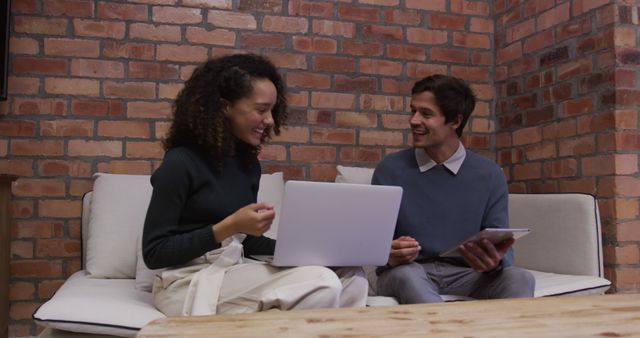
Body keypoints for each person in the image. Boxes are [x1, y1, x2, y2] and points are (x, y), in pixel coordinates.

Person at [142, 53, 367, 316]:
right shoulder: (180, 163)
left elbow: (247, 243)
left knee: (352, 275)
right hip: (186, 280)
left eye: (272, 110)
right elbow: (155, 252)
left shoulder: (247, 165)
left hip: (232, 269)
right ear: (225, 106)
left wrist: (314, 252)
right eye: (261, 109)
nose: (270, 120)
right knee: (321, 282)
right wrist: (229, 227)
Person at [372, 75, 535, 304]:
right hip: (409, 271)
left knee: (520, 278)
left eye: (426, 114)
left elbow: (502, 242)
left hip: (469, 274)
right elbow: (374, 243)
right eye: (413, 111)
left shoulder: (489, 174)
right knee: (408, 276)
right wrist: (389, 253)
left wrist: (494, 262)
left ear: (455, 121)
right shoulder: (389, 170)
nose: (414, 120)